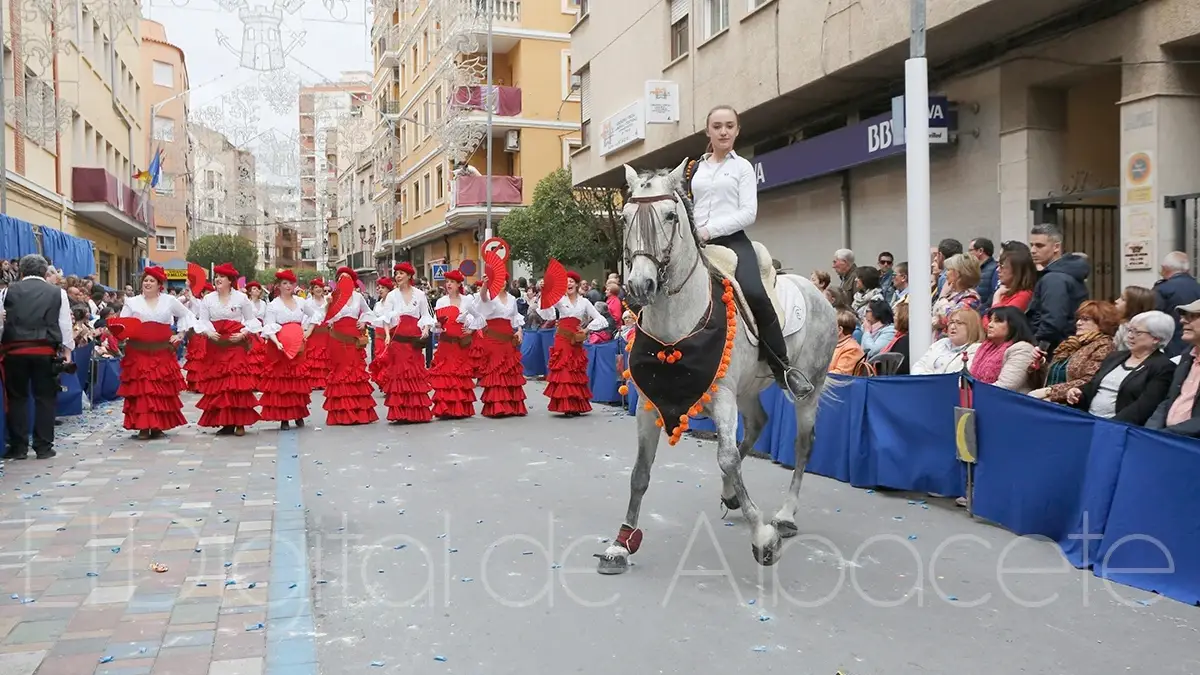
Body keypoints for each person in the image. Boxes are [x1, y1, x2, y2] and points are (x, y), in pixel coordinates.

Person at [686, 105, 812, 400]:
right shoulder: (694, 168)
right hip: (694, 242)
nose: (723, 131)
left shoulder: (742, 167)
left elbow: (748, 213)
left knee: (756, 294)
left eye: (729, 125)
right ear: (708, 131)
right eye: (717, 126)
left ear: (738, 130)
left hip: (731, 241)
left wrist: (708, 231)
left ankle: (783, 368)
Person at [1, 254, 74, 459]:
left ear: (22, 271)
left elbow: (2, 322)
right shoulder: (58, 293)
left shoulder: (7, 291)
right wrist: (68, 351)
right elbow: (65, 325)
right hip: (45, 350)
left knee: (17, 398)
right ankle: (43, 446)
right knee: (45, 398)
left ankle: (18, 446)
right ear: (44, 272)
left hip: (14, 350)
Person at [117, 266, 194, 440]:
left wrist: (180, 334)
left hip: (161, 351)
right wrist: (119, 333)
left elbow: (186, 315)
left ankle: (158, 425)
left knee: (160, 389)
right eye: (145, 280)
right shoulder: (132, 301)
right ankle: (142, 426)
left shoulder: (169, 300)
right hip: (138, 351)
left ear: (159, 284)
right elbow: (123, 323)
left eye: (152, 280)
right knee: (142, 389)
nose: (148, 283)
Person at [1064, 310, 1175, 425]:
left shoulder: (1163, 367)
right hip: (1090, 420)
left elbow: (1143, 407)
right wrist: (1078, 392)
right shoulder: (1115, 357)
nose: (1130, 336)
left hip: (1120, 428)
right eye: (1129, 330)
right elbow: (1093, 385)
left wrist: (1109, 425)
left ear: (1156, 338)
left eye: (1137, 332)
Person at [191, 264, 262, 436]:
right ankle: (225, 422)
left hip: (235, 344)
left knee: (236, 383)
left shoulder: (241, 298)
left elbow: (251, 320)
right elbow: (202, 321)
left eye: (222, 277)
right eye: (216, 277)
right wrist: (209, 332)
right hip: (216, 345)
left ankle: (240, 422)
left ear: (230, 281)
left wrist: (243, 333)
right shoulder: (208, 299)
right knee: (220, 384)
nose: (218, 279)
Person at [536, 270, 607, 415]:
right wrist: (544, 291)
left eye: (572, 281)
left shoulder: (585, 302)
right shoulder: (560, 300)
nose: (569, 283)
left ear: (577, 284)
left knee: (575, 369)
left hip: (576, 339)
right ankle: (565, 404)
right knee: (564, 368)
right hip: (562, 338)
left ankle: (576, 404)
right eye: (566, 281)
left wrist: (586, 330)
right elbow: (547, 312)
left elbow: (601, 319)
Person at [373, 262, 436, 424]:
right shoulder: (392, 295)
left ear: (409, 276)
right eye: (396, 273)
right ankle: (400, 412)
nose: (398, 276)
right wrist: (387, 334)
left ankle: (416, 412)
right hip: (398, 341)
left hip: (414, 342)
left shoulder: (420, 295)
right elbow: (386, 318)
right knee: (400, 374)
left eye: (401, 273)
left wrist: (426, 329)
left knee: (414, 374)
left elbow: (426, 315)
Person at [319, 268, 379, 425]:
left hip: (354, 337)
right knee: (341, 372)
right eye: (340, 279)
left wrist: (363, 321)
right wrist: (328, 306)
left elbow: (368, 312)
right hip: (337, 337)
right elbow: (324, 318)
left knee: (356, 370)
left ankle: (359, 410)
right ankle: (342, 412)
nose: (343, 281)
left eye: (346, 278)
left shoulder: (358, 296)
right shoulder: (332, 297)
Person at [259, 270, 318, 430]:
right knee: (283, 383)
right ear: (278, 286)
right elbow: (269, 326)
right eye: (284, 283)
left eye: (290, 283)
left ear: (294, 285)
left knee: (297, 380)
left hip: (298, 345)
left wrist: (308, 331)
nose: (287, 286)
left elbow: (316, 315)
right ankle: (284, 418)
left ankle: (299, 413)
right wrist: (276, 342)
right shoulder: (273, 305)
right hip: (280, 347)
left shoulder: (301, 302)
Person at [471, 271, 528, 418]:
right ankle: (497, 405)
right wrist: (484, 284)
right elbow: (482, 297)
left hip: (508, 337)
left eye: (504, 280)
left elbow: (515, 317)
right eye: (498, 280)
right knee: (496, 369)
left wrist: (519, 331)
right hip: (493, 338)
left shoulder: (512, 299)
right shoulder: (489, 295)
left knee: (509, 369)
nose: (501, 282)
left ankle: (513, 405)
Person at [430, 269, 479, 419]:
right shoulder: (440, 301)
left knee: (459, 373)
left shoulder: (468, 300)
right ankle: (445, 408)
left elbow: (478, 318)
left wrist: (471, 330)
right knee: (446, 374)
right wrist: (438, 325)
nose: (449, 284)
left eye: (452, 282)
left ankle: (461, 407)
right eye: (447, 282)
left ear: (459, 284)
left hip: (461, 343)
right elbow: (434, 326)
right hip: (445, 343)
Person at [304, 277, 332, 389]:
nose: (318, 289)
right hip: (313, 331)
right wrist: (305, 330)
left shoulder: (327, 300)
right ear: (312, 290)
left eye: (320, 287)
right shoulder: (308, 302)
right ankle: (313, 381)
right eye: (316, 287)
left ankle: (326, 380)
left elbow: (331, 314)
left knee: (326, 355)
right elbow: (305, 317)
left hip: (326, 331)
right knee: (313, 356)